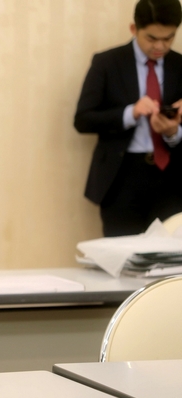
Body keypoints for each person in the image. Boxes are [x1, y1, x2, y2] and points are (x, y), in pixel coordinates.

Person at [75, 0, 182, 237]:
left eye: (169, 38)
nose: (160, 46)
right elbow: (82, 119)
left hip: (172, 179)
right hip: (121, 177)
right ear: (134, 29)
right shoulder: (107, 63)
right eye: (152, 38)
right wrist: (129, 113)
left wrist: (173, 132)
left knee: (171, 253)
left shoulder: (180, 65)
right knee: (122, 252)